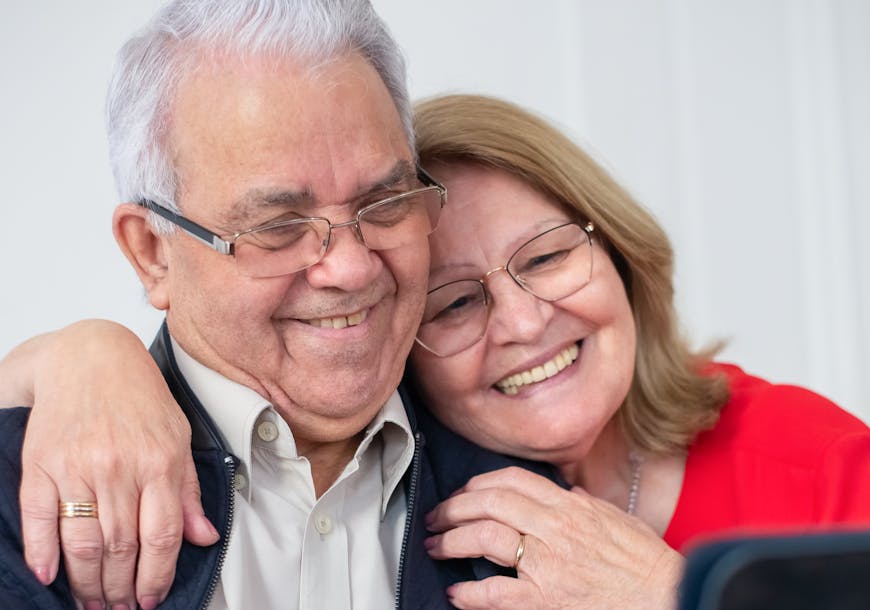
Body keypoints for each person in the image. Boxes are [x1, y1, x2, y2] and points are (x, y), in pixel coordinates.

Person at [5, 95, 870, 607]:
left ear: (618, 253)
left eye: (547, 256)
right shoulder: (403, 485)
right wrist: (87, 356)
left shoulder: (814, 458)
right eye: (454, 303)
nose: (525, 323)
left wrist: (673, 598)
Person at [0, 3, 559, 610]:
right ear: (152, 251)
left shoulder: (531, 481)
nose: (350, 268)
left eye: (385, 202)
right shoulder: (29, 492)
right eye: (279, 225)